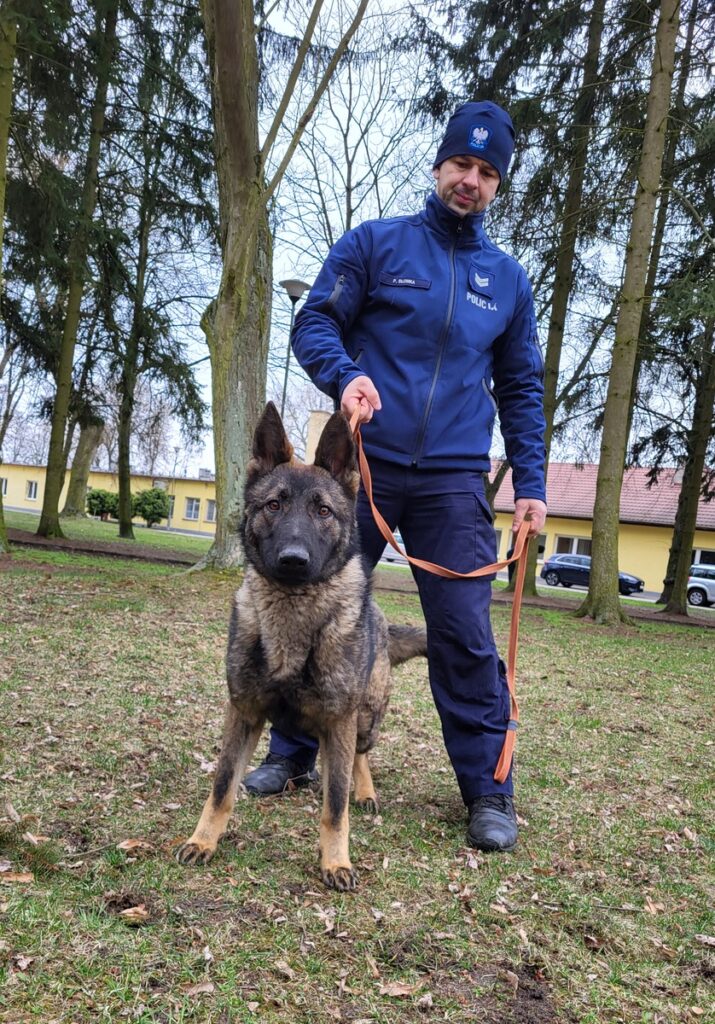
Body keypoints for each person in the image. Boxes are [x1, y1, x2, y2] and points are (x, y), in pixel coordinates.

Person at [244, 101, 547, 852]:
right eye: (459, 165)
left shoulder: (506, 282)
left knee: (464, 635)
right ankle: (290, 756)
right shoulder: (374, 246)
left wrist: (532, 483)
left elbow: (521, 387)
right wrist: (344, 376)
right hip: (355, 474)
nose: (469, 180)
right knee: (309, 612)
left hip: (451, 479)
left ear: (496, 184)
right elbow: (314, 321)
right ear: (437, 165)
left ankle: (487, 791)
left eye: (485, 172)